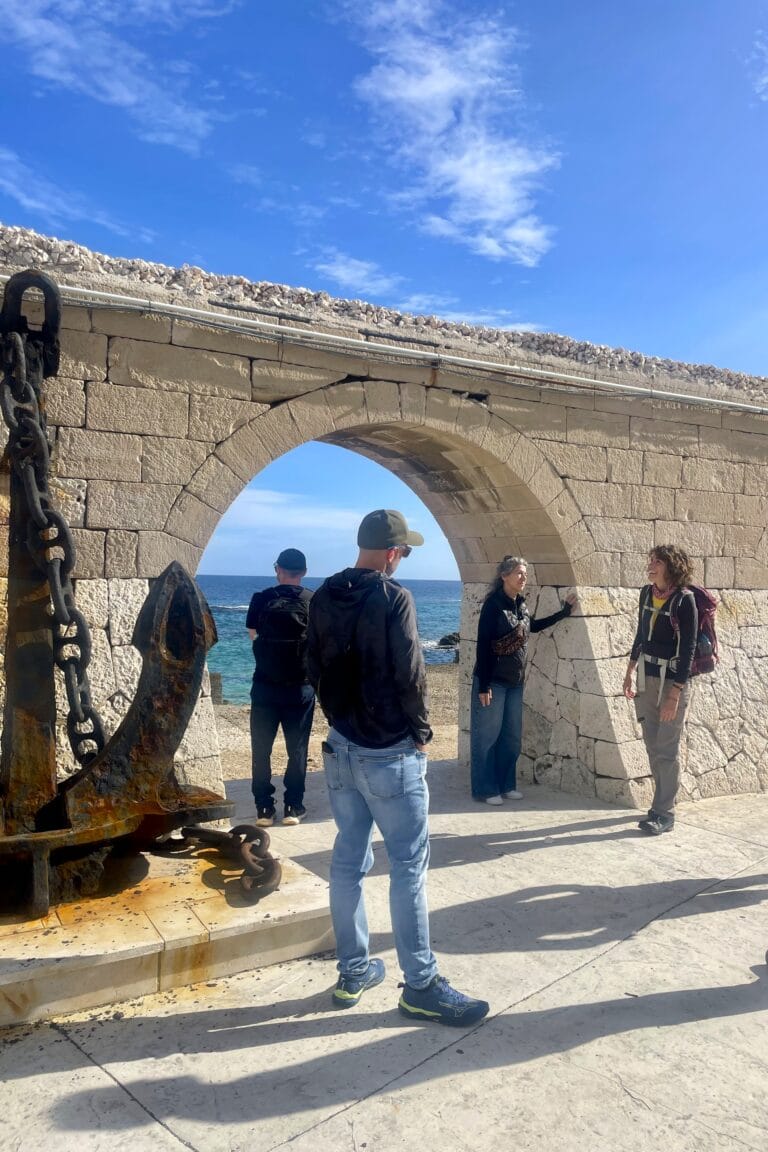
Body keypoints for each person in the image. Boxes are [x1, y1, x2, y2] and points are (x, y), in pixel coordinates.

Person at [307, 509, 489, 1027]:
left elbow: (313, 665)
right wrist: (421, 732)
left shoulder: (322, 595)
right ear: (391, 553)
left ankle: (354, 971)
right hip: (389, 749)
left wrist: (339, 716)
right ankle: (421, 985)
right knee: (407, 868)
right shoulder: (394, 597)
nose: (402, 558)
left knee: (348, 862)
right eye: (404, 551)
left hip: (340, 745)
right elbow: (411, 669)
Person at [471, 555, 576, 804]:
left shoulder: (521, 604)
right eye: (518, 573)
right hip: (493, 682)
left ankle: (506, 785)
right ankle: (486, 789)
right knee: (486, 737)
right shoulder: (493, 605)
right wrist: (484, 685)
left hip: (515, 682)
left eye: (525, 573)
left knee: (511, 737)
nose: (523, 577)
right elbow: (483, 646)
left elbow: (533, 627)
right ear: (504, 576)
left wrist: (564, 613)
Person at [623, 545, 697, 836]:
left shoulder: (684, 600)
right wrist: (629, 670)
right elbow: (641, 634)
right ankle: (659, 804)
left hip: (671, 683)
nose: (650, 565)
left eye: (657, 562)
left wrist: (675, 693)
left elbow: (688, 648)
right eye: (650, 560)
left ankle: (664, 813)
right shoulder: (646, 593)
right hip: (646, 676)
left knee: (666, 748)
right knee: (653, 745)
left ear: (671, 567)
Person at [246, 547, 314, 827]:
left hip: (264, 687)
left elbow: (253, 635)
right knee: (297, 749)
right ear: (304, 573)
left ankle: (264, 808)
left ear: (277, 569)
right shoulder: (313, 600)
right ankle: (293, 807)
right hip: (300, 688)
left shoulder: (261, 598)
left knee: (261, 748)